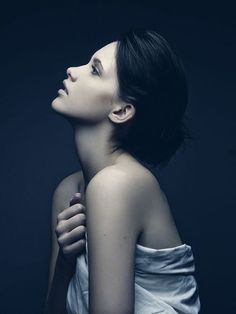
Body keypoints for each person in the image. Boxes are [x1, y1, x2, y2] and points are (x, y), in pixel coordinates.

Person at [44, 27, 201, 314]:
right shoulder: (68, 191)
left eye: (94, 70)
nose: (71, 70)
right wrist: (66, 264)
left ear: (121, 110)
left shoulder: (116, 185)